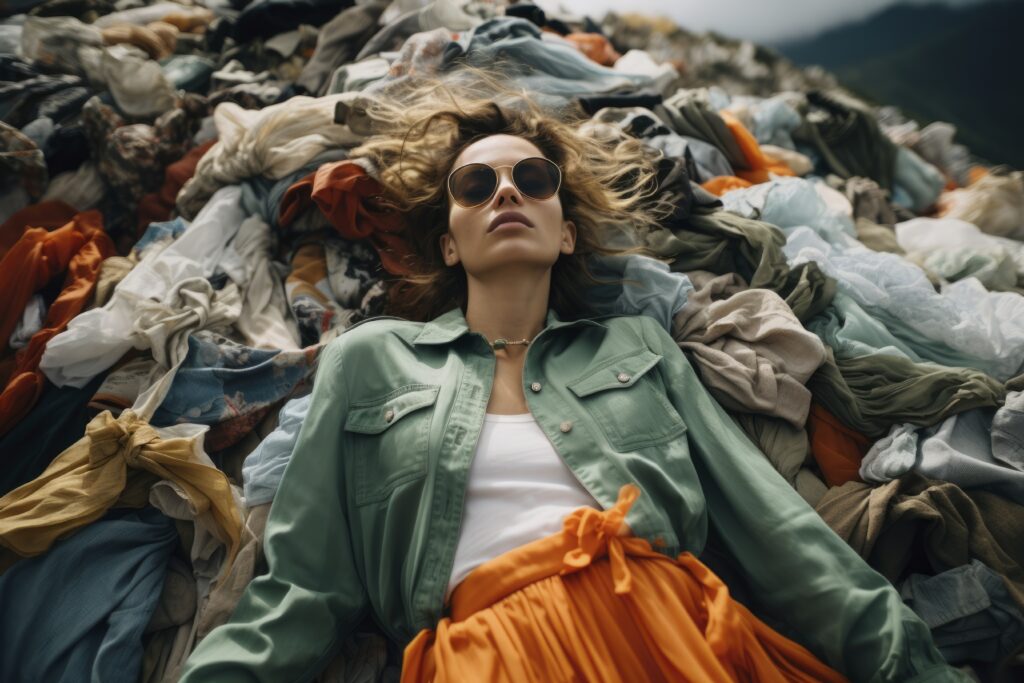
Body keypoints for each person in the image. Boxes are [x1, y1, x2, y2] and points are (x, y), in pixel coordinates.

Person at [180, 79, 966, 682]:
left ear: (566, 232)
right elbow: (305, 589)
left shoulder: (638, 347)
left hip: (677, 633)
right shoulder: (370, 359)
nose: (507, 191)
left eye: (531, 177)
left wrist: (913, 664)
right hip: (492, 654)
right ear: (448, 244)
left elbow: (775, 536)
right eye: (475, 187)